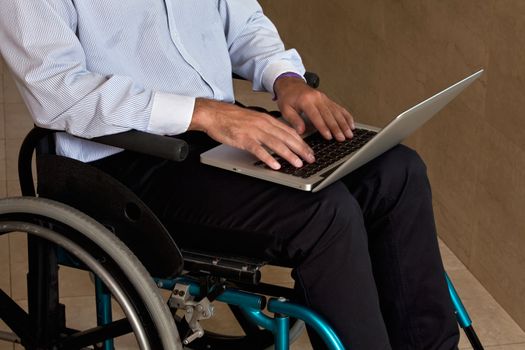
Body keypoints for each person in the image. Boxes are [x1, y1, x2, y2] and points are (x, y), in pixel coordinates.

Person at [0, 1, 460, 349]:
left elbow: (243, 24)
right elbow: (57, 92)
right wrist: (200, 113)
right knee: (325, 215)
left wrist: (286, 79)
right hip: (120, 158)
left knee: (396, 171)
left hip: (221, 132)